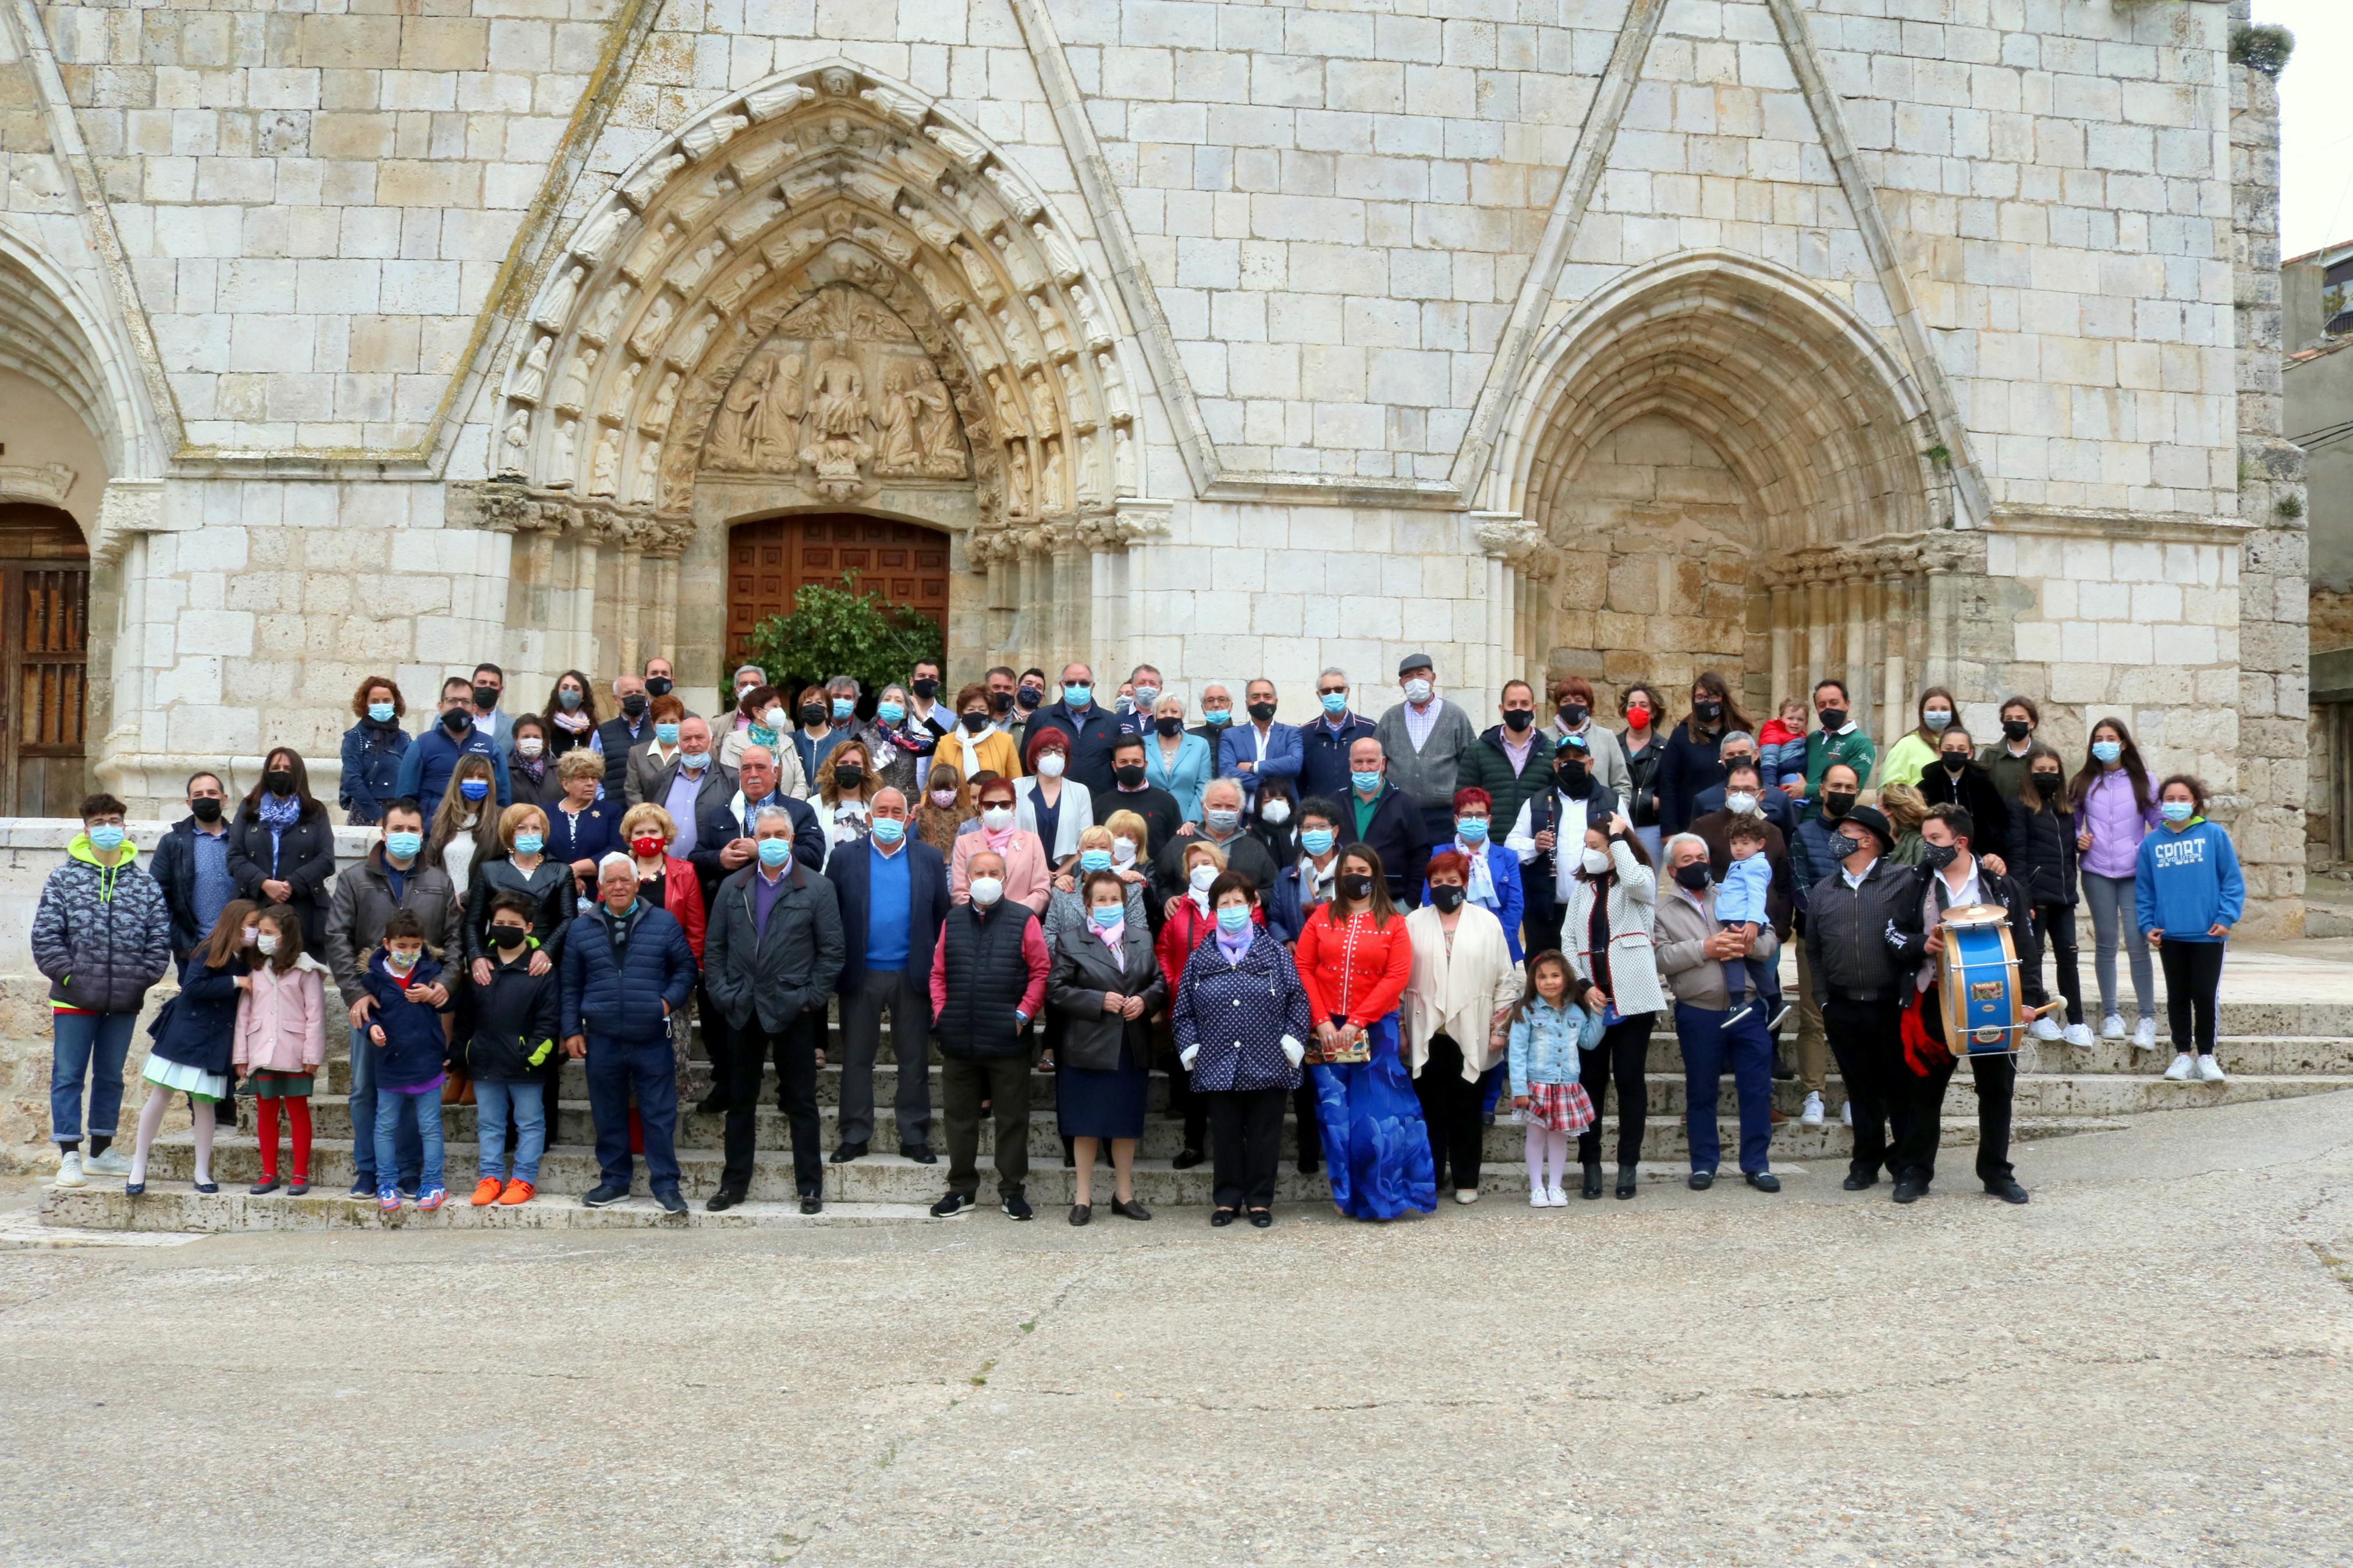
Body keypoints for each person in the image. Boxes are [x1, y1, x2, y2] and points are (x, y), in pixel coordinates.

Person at [703, 810, 846, 1213]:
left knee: (801, 1101)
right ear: (753, 836)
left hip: (792, 1009)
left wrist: (809, 999)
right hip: (742, 1006)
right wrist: (724, 992)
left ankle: (810, 1187)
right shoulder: (733, 886)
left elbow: (832, 951)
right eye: (764, 833)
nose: (771, 840)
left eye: (778, 834)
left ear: (791, 837)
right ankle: (733, 1185)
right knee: (740, 1102)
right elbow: (715, 949)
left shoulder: (817, 888)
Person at [32, 794, 173, 1188]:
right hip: (73, 998)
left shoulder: (144, 883)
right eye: (98, 821)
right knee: (68, 1076)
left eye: (114, 820)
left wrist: (140, 977)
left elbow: (158, 939)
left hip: (123, 1000)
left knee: (111, 1076)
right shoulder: (63, 879)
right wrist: (70, 977)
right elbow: (46, 938)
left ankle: (101, 1151)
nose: (107, 827)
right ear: (86, 829)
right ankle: (70, 1156)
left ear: (124, 827)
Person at [323, 803, 457, 1204]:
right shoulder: (353, 880)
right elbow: (337, 938)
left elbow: (455, 941)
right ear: (382, 832)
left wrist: (443, 984)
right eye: (397, 827)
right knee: (366, 1088)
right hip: (372, 1003)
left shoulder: (439, 882)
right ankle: (369, 1170)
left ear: (423, 834)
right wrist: (355, 992)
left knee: (418, 1088)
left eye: (413, 828)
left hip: (419, 1007)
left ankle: (412, 1171)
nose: (405, 833)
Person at [1902, 806, 2036, 1204]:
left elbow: (2026, 945)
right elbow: (1892, 933)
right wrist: (1918, 944)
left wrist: (2028, 1000)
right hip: (1934, 998)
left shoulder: (1998, 883)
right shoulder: (1915, 883)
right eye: (1925, 838)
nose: (1926, 846)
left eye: (1934, 839)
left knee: (1996, 1090)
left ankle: (1996, 1172)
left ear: (1960, 841)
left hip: (1994, 999)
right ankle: (1915, 1170)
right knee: (1924, 1090)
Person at [1295, 844, 1432, 1219]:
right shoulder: (1321, 917)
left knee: (1378, 1118)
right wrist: (1321, 1020)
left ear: (1376, 875)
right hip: (1325, 1029)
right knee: (1336, 1118)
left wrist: (1357, 1020)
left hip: (1376, 1030)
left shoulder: (1395, 923)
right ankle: (1346, 1197)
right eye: (1349, 869)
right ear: (1339, 876)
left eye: (1364, 869)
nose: (1356, 875)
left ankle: (1382, 1196)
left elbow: (1396, 977)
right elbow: (1303, 966)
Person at [1801, 802, 1929, 1193]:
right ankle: (1865, 1162)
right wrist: (1823, 997)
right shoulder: (1824, 889)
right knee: (1860, 1091)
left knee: (1900, 1089)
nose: (1837, 839)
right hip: (1842, 1005)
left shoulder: (1902, 880)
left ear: (1869, 840)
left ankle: (1907, 1163)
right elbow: (1813, 951)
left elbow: (1943, 884)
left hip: (1890, 1004)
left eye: (1846, 833)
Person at [1172, 871, 1312, 1228]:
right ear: (1215, 910)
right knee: (1226, 1135)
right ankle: (1228, 1199)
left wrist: (1291, 1042)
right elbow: (1183, 1011)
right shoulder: (1199, 959)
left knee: (1266, 1134)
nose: (1232, 909)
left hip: (1270, 1059)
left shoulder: (1276, 955)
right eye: (1225, 903)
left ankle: (1260, 1201)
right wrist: (1192, 1050)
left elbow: (1298, 1001)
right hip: (1217, 1061)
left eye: (1239, 902)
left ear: (1252, 906)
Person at [562, 854, 698, 1212]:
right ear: (601, 887)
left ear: (638, 884)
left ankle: (666, 1186)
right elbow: (570, 984)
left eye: (626, 880)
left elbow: (685, 970)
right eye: (611, 881)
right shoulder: (581, 928)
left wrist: (666, 1004)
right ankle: (614, 1182)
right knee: (607, 1114)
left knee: (659, 1115)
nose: (619, 886)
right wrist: (572, 1029)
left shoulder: (664, 923)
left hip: (652, 1036)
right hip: (602, 1038)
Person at [927, 847, 1051, 1221]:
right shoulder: (953, 919)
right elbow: (938, 974)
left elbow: (1040, 972)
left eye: (993, 872)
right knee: (959, 1118)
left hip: (1006, 1040)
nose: (985, 879)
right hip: (959, 1038)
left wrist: (1023, 1014)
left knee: (1012, 1118)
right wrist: (941, 1013)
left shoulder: (1024, 919)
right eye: (978, 872)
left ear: (1004, 877)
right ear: (966, 878)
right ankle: (961, 1189)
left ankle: (1012, 1190)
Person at [825, 788, 948, 1165]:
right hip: (861, 974)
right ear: (869, 816)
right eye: (883, 810)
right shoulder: (845, 857)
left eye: (897, 811)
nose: (890, 817)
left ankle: (913, 1134)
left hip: (912, 973)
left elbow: (941, 915)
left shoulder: (928, 857)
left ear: (908, 818)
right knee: (856, 1058)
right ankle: (855, 1132)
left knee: (913, 1059)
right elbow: (832, 914)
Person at [1654, 834, 1781, 1193]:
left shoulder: (1733, 892)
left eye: (1701, 856)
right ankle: (1704, 1164)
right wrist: (1705, 948)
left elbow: (1770, 940)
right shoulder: (1661, 911)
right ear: (1672, 869)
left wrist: (1747, 944)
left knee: (1757, 1090)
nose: (1696, 864)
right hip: (1699, 1012)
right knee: (1701, 1091)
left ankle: (1757, 1164)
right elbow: (1659, 958)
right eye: (1687, 859)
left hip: (1750, 1008)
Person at [1403, 850, 1523, 1206]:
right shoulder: (1412, 922)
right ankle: (1432, 1178)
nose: (1444, 887)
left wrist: (1500, 1029)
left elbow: (1505, 980)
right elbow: (1398, 979)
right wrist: (1403, 1031)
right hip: (1427, 1029)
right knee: (1430, 1111)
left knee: (1468, 1110)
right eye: (1437, 882)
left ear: (1466, 883)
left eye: (1452, 881)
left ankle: (1467, 1179)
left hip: (1474, 1028)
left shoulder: (1487, 922)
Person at [1050, 867, 1166, 1225]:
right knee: (1084, 1125)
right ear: (1088, 905)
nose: (1108, 904)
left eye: (1114, 899)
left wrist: (1146, 1001)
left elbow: (1160, 981)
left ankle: (1123, 1195)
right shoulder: (1071, 940)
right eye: (1101, 899)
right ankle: (1083, 1198)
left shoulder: (1142, 938)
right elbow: (1056, 990)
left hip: (1130, 1044)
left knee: (1124, 1124)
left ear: (1124, 901)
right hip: (1087, 1046)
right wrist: (1098, 1000)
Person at [122, 900, 253, 1197]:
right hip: (186, 1033)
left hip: (216, 1039)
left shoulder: (246, 957)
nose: (255, 932)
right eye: (252, 925)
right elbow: (192, 987)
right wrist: (235, 981)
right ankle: (138, 1166)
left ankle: (201, 1171)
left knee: (205, 1103)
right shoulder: (208, 949)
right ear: (236, 924)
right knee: (161, 1095)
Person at [1563, 810, 1660, 1200]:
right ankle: (1590, 1163)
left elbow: (1637, 881)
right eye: (1586, 847)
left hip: (1633, 999)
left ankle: (1627, 1165)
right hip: (1593, 1000)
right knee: (1591, 1084)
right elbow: (1567, 939)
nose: (1589, 854)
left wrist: (1619, 839)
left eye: (1596, 847)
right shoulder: (1581, 891)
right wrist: (1583, 985)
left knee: (1630, 1081)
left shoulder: (1638, 881)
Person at [2140, 776, 2245, 1084]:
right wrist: (2148, 925)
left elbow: (2232, 881)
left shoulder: (2214, 835)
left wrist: (2227, 917)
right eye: (2169, 799)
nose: (2175, 804)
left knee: (2204, 993)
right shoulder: (2151, 843)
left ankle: (2207, 1055)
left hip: (2208, 934)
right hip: (2170, 934)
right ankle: (2182, 1054)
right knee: (2177, 995)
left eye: (2182, 798)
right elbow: (2144, 891)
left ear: (2195, 802)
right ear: (2161, 804)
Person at [457, 891, 559, 1206]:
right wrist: (463, 1052)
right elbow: (465, 1016)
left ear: (528, 928)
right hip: (486, 1062)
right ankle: (489, 1178)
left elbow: (549, 1018)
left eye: (512, 923)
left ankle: (524, 1179)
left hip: (526, 1065)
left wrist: (531, 1054)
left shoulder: (540, 968)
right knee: (489, 1123)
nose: (504, 928)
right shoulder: (480, 966)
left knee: (529, 1123)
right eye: (498, 922)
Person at [356, 907, 455, 1211]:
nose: (408, 953)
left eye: (415, 947)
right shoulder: (373, 978)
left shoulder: (431, 974)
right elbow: (365, 1016)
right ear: (387, 944)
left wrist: (434, 995)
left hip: (427, 1063)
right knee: (385, 1126)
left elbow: (448, 1006)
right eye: (401, 947)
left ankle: (434, 1182)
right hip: (390, 1065)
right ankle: (387, 1183)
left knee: (429, 1127)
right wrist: (372, 1030)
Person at [2074, 716, 2162, 1048]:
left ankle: (2147, 1017)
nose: (2104, 743)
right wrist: (2078, 843)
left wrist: (2143, 850)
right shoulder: (2084, 781)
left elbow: (2161, 822)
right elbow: (2072, 823)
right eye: (2098, 738)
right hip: (2097, 871)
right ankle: (2111, 1014)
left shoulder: (2145, 781)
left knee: (2139, 944)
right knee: (2106, 943)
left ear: (2123, 743)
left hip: (2135, 874)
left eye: (2111, 737)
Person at [232, 904, 329, 1196]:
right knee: (265, 1111)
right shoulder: (257, 970)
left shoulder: (307, 971)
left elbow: (316, 1015)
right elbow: (244, 1015)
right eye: (260, 932)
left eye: (268, 933)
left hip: (295, 1053)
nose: (261, 937)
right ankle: (268, 1173)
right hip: (261, 1050)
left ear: (286, 936)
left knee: (298, 1110)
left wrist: (312, 1055)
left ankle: (300, 1173)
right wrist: (241, 1055)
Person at [1787, 760, 1862, 1130]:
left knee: (1852, 1019)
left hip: (1859, 940)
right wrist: (1828, 921)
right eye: (1837, 786)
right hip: (1814, 939)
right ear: (1822, 790)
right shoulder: (1803, 834)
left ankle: (1854, 1094)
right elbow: (1800, 886)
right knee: (1813, 1017)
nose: (1843, 793)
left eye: (1850, 788)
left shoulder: (1865, 836)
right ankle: (1814, 1093)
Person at [1155, 837, 1233, 1168]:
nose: (1202, 870)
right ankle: (1193, 1144)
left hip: (1228, 1008)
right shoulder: (1178, 908)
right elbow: (1163, 951)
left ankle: (1230, 1143)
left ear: (1221, 867)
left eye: (1208, 863)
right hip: (1185, 1008)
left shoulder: (1237, 904)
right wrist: (1175, 985)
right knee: (1191, 1079)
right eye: (1195, 866)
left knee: (1228, 1078)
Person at [2008, 747, 2092, 1046]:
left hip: (2064, 897)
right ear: (2030, 774)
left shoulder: (2065, 811)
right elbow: (2017, 857)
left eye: (2053, 770)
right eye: (2040, 770)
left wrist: (2080, 850)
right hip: (2035, 898)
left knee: (2068, 957)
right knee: (2034, 958)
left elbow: (2068, 855)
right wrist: (2024, 899)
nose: (2047, 775)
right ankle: (2039, 1017)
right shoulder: (2019, 808)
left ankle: (2077, 1022)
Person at [1506, 952, 1603, 1207]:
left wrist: (1600, 1015)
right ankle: (1537, 1188)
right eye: (1542, 977)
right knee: (1536, 1137)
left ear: (1566, 978)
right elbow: (1517, 1052)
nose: (1549, 982)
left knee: (1559, 1137)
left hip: (1566, 1085)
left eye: (1555, 976)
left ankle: (1556, 1187)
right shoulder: (1526, 1011)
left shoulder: (1577, 1011)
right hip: (1536, 1085)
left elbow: (1589, 1042)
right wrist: (1519, 1088)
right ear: (1533, 981)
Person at [1502, 732, 1612, 956]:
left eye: (1578, 758)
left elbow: (1629, 849)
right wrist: (1534, 845)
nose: (1571, 763)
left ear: (1590, 763)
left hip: (1597, 908)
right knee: (1546, 971)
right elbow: (1510, 845)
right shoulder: (1536, 802)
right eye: (1565, 759)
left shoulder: (1611, 802)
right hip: (1546, 911)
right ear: (1555, 765)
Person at [226, 747, 338, 957]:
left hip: (303, 909)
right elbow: (234, 857)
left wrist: (291, 884)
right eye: (276, 767)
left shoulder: (316, 811)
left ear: (298, 773)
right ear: (267, 772)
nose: (281, 772)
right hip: (255, 905)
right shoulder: (249, 808)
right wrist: (264, 883)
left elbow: (326, 859)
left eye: (288, 768)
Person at [1375, 652, 1478, 848]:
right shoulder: (1390, 718)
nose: (1415, 681)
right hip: (1399, 813)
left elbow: (1470, 762)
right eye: (1408, 677)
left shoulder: (1455, 715)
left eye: (1421, 674)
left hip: (1444, 815)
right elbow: (1377, 762)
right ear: (1401, 684)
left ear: (1433, 678)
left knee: (1442, 868)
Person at [1687, 759, 1794, 935]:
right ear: (1726, 793)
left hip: (1763, 930)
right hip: (1717, 928)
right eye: (1734, 790)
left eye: (1748, 790)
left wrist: (1781, 930)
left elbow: (1783, 886)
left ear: (1761, 795)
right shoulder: (1703, 827)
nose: (1740, 795)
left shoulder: (1773, 833)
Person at [1457, 681, 1553, 870]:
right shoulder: (1478, 751)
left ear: (1534, 708)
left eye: (1525, 704)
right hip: (1488, 852)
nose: (1519, 709)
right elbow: (1462, 801)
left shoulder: (1551, 752)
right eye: (1512, 704)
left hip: (1536, 853)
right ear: (1502, 709)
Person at [151, 771, 235, 965]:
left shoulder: (240, 841)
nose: (206, 798)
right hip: (192, 949)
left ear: (224, 800)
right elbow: (157, 895)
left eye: (212, 793)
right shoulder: (173, 843)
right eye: (198, 795)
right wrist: (178, 938)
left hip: (236, 947)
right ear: (189, 803)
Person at [1435, 786, 1525, 962]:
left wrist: (1498, 942)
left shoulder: (1508, 857)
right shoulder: (1439, 854)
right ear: (1457, 820)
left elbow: (1515, 905)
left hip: (1498, 945)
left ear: (1489, 821)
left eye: (1480, 815)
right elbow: (1431, 899)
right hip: (1451, 946)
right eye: (1467, 815)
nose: (1474, 820)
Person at [1655, 671, 1748, 837]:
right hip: (1692, 823)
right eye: (1700, 697)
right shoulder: (1681, 735)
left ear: (1723, 699)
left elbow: (1752, 775)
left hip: (1734, 823)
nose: (1706, 702)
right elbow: (1668, 785)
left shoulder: (1739, 734)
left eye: (1712, 697)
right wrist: (1669, 831)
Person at [1339, 737, 1429, 908]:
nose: (1365, 769)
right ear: (1350, 765)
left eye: (1371, 762)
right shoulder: (1336, 803)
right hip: (1345, 904)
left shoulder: (1405, 804)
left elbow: (1421, 855)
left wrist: (1410, 903)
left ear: (1383, 764)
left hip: (1393, 903)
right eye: (1358, 762)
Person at [620, 803, 708, 972]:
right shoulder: (617, 872)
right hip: (626, 965)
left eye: (653, 832)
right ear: (630, 839)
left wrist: (690, 970)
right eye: (639, 833)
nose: (647, 837)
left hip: (670, 965)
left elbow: (696, 931)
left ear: (666, 836)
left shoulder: (685, 873)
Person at [395, 689, 512, 815]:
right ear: (441, 706)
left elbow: (502, 800)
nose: (459, 707)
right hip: (433, 830)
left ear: (474, 708)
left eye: (465, 702)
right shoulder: (421, 745)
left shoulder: (490, 747)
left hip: (478, 829)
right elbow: (405, 798)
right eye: (452, 701)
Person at [1158, 777, 1278, 896]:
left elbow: (1274, 887)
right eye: (1216, 806)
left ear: (1240, 810)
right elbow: (1159, 881)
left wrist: (1259, 896)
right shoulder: (1181, 842)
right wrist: (1167, 900)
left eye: (1230, 807)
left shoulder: (1254, 848)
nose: (1223, 811)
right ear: (1203, 806)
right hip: (1189, 914)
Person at [951, 774, 1051, 913]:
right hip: (977, 924)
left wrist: (1013, 915)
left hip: (1020, 924)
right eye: (990, 805)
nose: (997, 810)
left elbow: (1041, 891)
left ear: (1014, 807)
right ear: (981, 808)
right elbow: (959, 893)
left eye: (1004, 805)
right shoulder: (964, 842)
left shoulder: (1032, 841)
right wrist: (982, 914)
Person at [1712, 817, 1779, 1026]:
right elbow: (1736, 889)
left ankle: (1738, 1003)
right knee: (1753, 963)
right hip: (1740, 916)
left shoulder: (1754, 865)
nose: (1738, 848)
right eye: (1734, 843)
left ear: (1760, 844)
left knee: (1731, 956)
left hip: (1742, 919)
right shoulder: (1743, 863)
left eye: (1745, 843)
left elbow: (1758, 895)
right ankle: (1775, 1001)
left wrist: (1752, 922)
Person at [1029, 662, 1124, 797]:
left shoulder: (1111, 721)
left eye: (1084, 683)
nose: (1077, 687)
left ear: (1093, 686)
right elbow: (1027, 762)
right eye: (1071, 683)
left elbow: (1118, 766)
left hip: (1099, 803)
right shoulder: (1040, 719)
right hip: (1052, 801)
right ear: (1062, 686)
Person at [1917, 723, 2010, 858]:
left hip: (1979, 858)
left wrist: (1995, 853)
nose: (1955, 753)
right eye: (1949, 748)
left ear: (1970, 753)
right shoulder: (1924, 788)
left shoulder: (1985, 786)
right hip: (1936, 857)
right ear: (1939, 752)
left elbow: (2000, 824)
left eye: (1961, 749)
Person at [1788, 679, 1876, 816]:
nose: (1828, 709)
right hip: (1797, 816)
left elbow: (1851, 789)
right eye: (1822, 705)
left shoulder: (1860, 743)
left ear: (1847, 704)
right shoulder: (1812, 739)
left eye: (1834, 703)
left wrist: (1806, 790)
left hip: (1830, 822)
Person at [425, 753, 500, 906]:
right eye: (469, 776)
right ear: (458, 781)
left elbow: (501, 870)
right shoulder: (443, 819)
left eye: (481, 777)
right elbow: (429, 864)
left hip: (481, 906)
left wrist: (467, 898)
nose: (475, 781)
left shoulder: (500, 819)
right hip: (444, 905)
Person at [1689, 730, 1795, 834]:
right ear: (1722, 758)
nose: (1737, 759)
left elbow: (1788, 841)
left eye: (1742, 753)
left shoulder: (1779, 799)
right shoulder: (1705, 800)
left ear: (1756, 754)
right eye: (1731, 755)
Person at [1300, 666, 1380, 802]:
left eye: (1338, 690)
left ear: (1347, 692)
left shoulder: (1369, 729)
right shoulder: (1305, 733)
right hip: (1320, 812)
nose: (1333, 694)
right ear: (1319, 695)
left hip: (1358, 807)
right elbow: (1300, 780)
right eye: (1326, 691)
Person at [1102, 733, 1185, 866]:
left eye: (1136, 762)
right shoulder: (1102, 804)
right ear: (1114, 766)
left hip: (1156, 881)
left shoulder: (1166, 802)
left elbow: (1175, 849)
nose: (1130, 766)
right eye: (1124, 762)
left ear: (1145, 765)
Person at [1546, 677, 1631, 805]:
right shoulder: (1544, 737)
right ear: (1559, 705)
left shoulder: (1606, 737)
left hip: (1599, 818)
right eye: (1566, 700)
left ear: (1588, 705)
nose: (1572, 705)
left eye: (1579, 700)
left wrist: (1612, 814)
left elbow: (1622, 784)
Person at [340, 675, 412, 826]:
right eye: (375, 701)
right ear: (365, 704)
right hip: (365, 814)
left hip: (398, 813)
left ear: (395, 703)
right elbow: (352, 781)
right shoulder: (355, 738)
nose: (381, 705)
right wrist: (378, 817)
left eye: (386, 701)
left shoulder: (404, 738)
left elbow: (411, 777)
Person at [546, 748, 619, 896]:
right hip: (552, 890)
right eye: (583, 778)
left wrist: (576, 869)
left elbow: (617, 850)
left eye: (594, 777)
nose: (591, 783)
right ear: (566, 783)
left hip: (597, 891)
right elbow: (539, 852)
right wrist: (565, 875)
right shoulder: (545, 813)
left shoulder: (611, 812)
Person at [1218, 678, 1301, 805]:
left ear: (1276, 702)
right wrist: (1266, 786)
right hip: (1245, 817)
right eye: (1255, 697)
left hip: (1285, 816)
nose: (1262, 701)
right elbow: (1227, 772)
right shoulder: (1231, 735)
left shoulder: (1291, 733)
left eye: (1267, 696)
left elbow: (1294, 764)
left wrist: (1253, 767)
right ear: (1247, 704)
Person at [1017, 727, 1094, 864]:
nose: (1053, 756)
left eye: (1059, 751)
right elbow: (1011, 836)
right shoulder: (1017, 787)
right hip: (1025, 869)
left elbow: (1086, 841)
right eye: (1046, 751)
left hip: (1068, 877)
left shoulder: (1080, 791)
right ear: (1035, 758)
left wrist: (1061, 874)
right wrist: (1039, 872)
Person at [812, 737, 883, 867]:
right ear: (833, 767)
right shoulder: (814, 805)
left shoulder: (878, 804)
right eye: (844, 763)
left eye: (856, 764)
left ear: (864, 769)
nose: (849, 767)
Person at [1145, 693, 1216, 821]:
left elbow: (1203, 787)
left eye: (1174, 712)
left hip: (1186, 820)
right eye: (1163, 711)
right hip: (1149, 819)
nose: (1169, 715)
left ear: (1182, 716)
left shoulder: (1199, 745)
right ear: (1155, 717)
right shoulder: (1142, 744)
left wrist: (1192, 822)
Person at [1617, 682, 1667, 863]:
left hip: (1651, 828)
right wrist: (1648, 801)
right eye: (1632, 705)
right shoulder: (1613, 745)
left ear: (1653, 712)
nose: (1636, 709)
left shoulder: (1665, 749)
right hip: (1618, 825)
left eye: (1643, 705)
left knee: (1647, 882)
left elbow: (1669, 789)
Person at [944, 682, 1021, 787]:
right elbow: (933, 783)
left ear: (990, 713)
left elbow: (1017, 783)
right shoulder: (946, 742)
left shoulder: (1006, 741)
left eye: (982, 710)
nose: (977, 713)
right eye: (971, 709)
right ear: (961, 712)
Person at [1880, 687, 1958, 790]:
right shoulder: (1906, 745)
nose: (1938, 713)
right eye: (1932, 709)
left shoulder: (1960, 746)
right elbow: (1889, 788)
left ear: (1952, 712)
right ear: (1922, 713)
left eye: (1944, 709)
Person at [590, 673, 652, 801]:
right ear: (616, 699)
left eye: (639, 692)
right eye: (628, 693)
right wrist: (603, 799)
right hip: (615, 812)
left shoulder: (657, 730)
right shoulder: (603, 733)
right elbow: (591, 772)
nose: (635, 697)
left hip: (651, 812)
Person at [865, 682, 934, 797]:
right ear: (880, 707)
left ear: (906, 711)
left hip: (909, 808)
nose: (892, 703)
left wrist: (923, 718)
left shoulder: (912, 741)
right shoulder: (864, 737)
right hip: (876, 805)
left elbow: (944, 740)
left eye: (898, 701)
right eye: (887, 699)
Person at [1976, 696, 2043, 806]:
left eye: (2021, 718)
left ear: (2032, 723)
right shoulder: (1991, 754)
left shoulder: (2043, 753)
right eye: (2009, 719)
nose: (2014, 722)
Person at [622, 694, 687, 805]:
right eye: (662, 722)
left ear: (681, 723)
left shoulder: (689, 752)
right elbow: (633, 791)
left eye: (673, 722)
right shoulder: (637, 753)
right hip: (648, 818)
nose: (668, 726)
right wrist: (647, 815)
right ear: (653, 725)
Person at [914, 760, 971, 855]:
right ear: (930, 790)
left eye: (948, 790)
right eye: (937, 789)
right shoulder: (922, 816)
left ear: (957, 790)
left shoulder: (966, 818)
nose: (942, 794)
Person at [1756, 695, 1809, 797]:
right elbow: (1769, 761)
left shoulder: (1802, 736)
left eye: (1800, 720)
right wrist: (1770, 785)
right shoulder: (1773, 735)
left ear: (1806, 723)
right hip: (1785, 776)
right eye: (1790, 718)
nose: (1795, 723)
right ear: (1780, 719)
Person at [542, 669, 601, 759]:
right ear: (557, 692)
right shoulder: (545, 726)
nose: (569, 692)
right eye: (565, 688)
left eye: (575, 689)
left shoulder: (593, 729)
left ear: (583, 696)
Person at [506, 713, 561, 809]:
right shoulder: (505, 769)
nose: (531, 741)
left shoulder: (558, 769)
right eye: (525, 737)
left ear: (544, 741)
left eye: (536, 737)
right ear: (516, 740)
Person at [464, 662, 512, 749]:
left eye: (493, 684)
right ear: (472, 686)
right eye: (482, 682)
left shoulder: (511, 726)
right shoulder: (446, 719)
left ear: (500, 690)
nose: (488, 687)